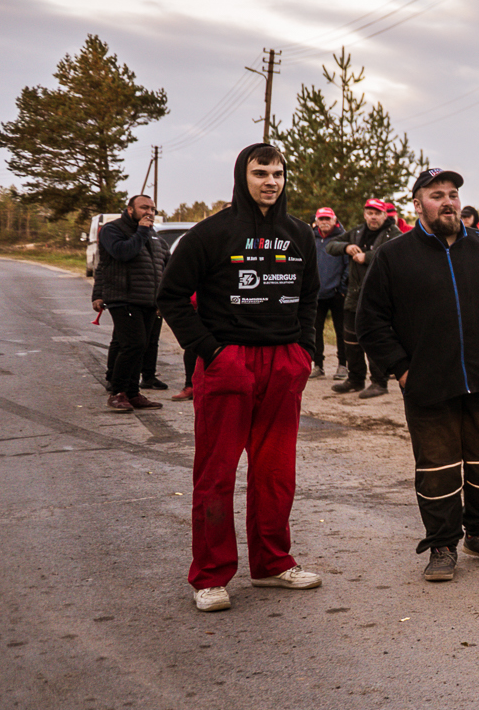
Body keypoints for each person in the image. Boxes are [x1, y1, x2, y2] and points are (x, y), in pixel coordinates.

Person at [355, 168, 479, 583]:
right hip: (428, 385)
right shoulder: (394, 255)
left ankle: (478, 532)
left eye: (453, 194)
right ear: (417, 204)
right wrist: (402, 370)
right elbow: (370, 321)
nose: (448, 202)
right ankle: (441, 544)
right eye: (436, 195)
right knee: (437, 469)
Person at [157, 143, 323, 612]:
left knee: (276, 474)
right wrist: (212, 352)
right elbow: (171, 297)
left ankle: (271, 563)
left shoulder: (299, 234)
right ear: (241, 176)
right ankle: (210, 576)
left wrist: (304, 351)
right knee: (216, 474)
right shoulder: (210, 233)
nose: (271, 181)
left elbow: (310, 296)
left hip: (283, 365)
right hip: (228, 364)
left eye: (278, 173)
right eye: (260, 172)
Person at [93, 193, 169, 413]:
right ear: (130, 210)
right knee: (132, 345)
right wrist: (142, 231)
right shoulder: (112, 230)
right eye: (144, 207)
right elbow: (122, 254)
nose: (149, 212)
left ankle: (133, 393)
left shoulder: (154, 235)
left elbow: (164, 263)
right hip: (123, 297)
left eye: (152, 209)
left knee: (141, 346)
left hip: (148, 300)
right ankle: (118, 392)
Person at [327, 197, 404, 396]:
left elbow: (397, 254)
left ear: (384, 215)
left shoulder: (394, 234)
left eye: (377, 213)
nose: (373, 217)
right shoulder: (356, 232)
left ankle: (380, 382)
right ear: (364, 214)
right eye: (370, 213)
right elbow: (330, 245)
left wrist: (367, 257)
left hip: (379, 296)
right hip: (354, 295)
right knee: (350, 340)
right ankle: (355, 379)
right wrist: (346, 247)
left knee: (375, 339)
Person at [309, 208, 348, 380]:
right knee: (315, 330)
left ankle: (343, 365)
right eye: (321, 219)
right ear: (316, 221)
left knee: (341, 331)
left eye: (328, 218)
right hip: (316, 294)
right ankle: (318, 365)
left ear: (334, 220)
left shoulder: (343, 238)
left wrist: (342, 288)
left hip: (337, 294)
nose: (324, 222)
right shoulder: (311, 238)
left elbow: (348, 265)